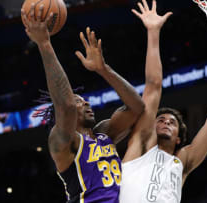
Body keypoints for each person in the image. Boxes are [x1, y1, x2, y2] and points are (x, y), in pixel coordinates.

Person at [21, 3, 145, 203]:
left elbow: (137, 107)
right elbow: (66, 106)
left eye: (83, 100)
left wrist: (104, 70)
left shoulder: (104, 133)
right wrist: (44, 44)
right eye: (79, 101)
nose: (86, 103)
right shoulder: (62, 141)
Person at [119, 1, 207, 202]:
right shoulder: (140, 146)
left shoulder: (181, 162)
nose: (166, 122)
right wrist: (153, 32)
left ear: (178, 139)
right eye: (161, 120)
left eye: (172, 122)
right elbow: (153, 86)